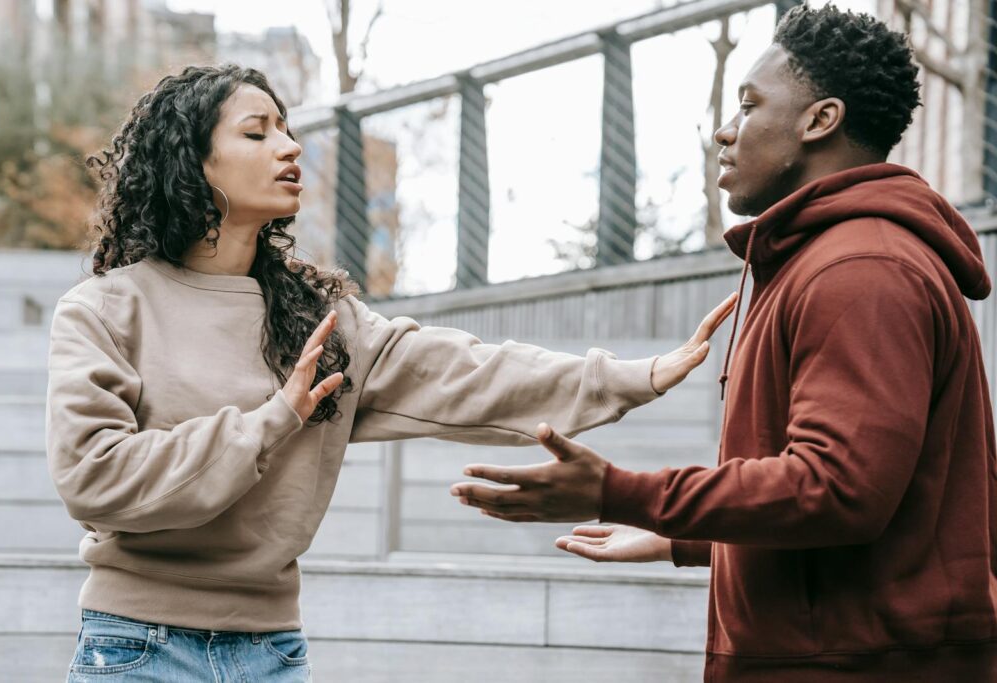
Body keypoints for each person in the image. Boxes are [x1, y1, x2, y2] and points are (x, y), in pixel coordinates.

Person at [45, 63, 735, 682]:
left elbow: (465, 373)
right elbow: (95, 475)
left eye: (288, 130)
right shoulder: (106, 310)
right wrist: (274, 418)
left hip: (272, 652)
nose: (290, 148)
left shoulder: (322, 319)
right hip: (137, 650)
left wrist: (631, 376)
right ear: (191, 162)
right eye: (258, 134)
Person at [451, 5, 997, 681]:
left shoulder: (862, 271)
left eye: (748, 105)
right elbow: (854, 509)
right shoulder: (827, 259)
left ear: (819, 120)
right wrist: (682, 539)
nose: (724, 130)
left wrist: (617, 489)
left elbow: (839, 490)